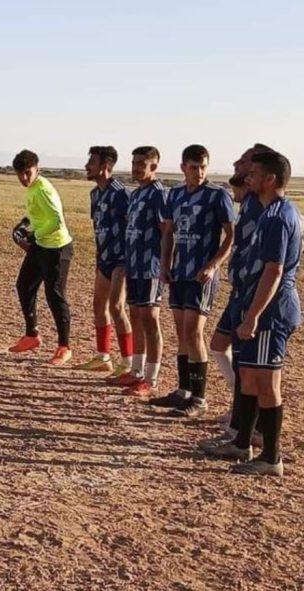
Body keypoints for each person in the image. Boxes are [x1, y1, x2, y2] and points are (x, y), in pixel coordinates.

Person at [209, 150, 300, 477]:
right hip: (253, 306)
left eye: (254, 173)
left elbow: (273, 271)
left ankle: (271, 458)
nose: (248, 178)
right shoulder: (265, 212)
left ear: (270, 179)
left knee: (266, 382)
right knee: (247, 377)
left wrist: (253, 316)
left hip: (270, 313)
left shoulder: (278, 216)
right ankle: (241, 442)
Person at [197, 144, 273, 450]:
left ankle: (252, 424)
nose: (236, 164)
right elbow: (237, 191)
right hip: (239, 290)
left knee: (253, 366)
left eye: (243, 162)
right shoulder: (249, 196)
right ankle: (241, 410)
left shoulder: (266, 203)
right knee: (219, 345)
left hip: (253, 294)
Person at [149, 145, 234, 417]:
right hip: (179, 273)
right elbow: (168, 234)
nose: (198, 172)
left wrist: (213, 265)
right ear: (183, 167)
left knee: (194, 332)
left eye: (203, 167)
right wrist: (165, 264)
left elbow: (230, 236)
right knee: (181, 333)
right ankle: (183, 391)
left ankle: (199, 397)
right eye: (193, 167)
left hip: (201, 275)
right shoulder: (174, 194)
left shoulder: (218, 195)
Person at [8, 149, 74, 366]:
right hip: (41, 245)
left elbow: (56, 220)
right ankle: (32, 335)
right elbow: (39, 214)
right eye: (20, 174)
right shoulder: (32, 188)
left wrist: (33, 235)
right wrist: (25, 223)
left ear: (37, 169)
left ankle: (64, 347)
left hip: (56, 248)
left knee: (54, 295)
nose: (24, 178)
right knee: (24, 285)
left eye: (28, 173)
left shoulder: (43, 189)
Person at [114, 146, 168, 397]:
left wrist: (164, 265)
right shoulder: (136, 194)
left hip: (151, 267)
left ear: (154, 167)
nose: (136, 168)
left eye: (141, 164)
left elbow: (167, 231)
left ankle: (152, 377)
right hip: (134, 265)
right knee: (135, 316)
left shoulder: (159, 195)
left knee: (150, 320)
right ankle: (136, 371)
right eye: (134, 162)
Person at [75, 146, 133, 376]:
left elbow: (132, 225)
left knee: (117, 307)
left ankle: (128, 361)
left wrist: (128, 259)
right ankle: (103, 357)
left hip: (122, 259)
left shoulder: (121, 193)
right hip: (104, 258)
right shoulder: (94, 194)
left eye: (92, 162)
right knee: (98, 306)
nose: (87, 166)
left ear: (106, 167)